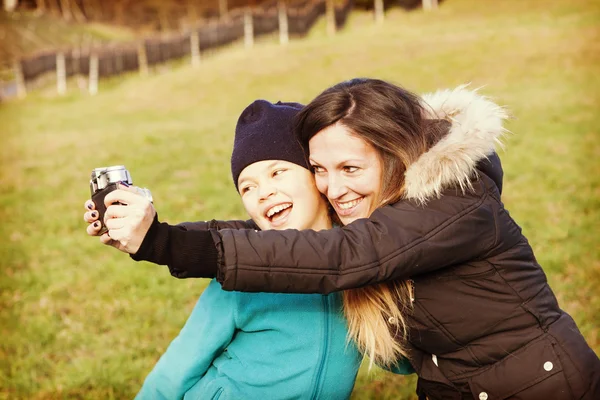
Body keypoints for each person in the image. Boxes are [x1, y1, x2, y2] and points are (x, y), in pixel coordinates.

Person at [85, 79, 600, 399]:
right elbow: (290, 247)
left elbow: (344, 256)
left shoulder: (453, 202)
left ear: (393, 153)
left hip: (539, 386)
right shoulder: (370, 219)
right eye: (321, 170)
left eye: (350, 167)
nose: (335, 186)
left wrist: (163, 243)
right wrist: (156, 237)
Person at [130, 100, 382, 399]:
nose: (264, 193)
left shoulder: (360, 255)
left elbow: (401, 359)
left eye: (277, 173)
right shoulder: (243, 273)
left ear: (316, 174)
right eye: (248, 186)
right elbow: (176, 369)